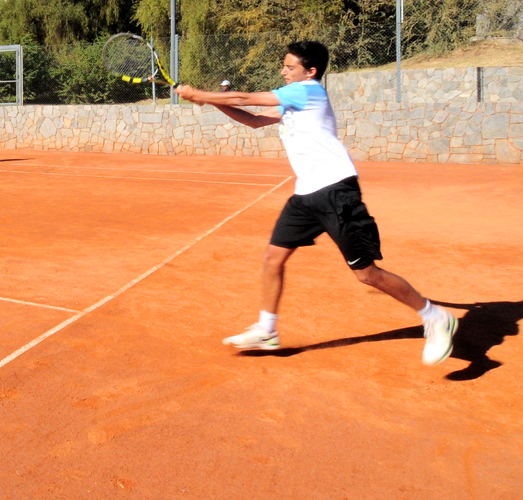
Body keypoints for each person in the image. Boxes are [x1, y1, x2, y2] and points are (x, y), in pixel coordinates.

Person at [174, 40, 458, 365]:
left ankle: (435, 317)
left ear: (310, 71)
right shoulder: (293, 99)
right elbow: (253, 119)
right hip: (306, 194)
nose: (283, 70)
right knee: (272, 259)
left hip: (336, 190)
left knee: (367, 275)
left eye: (289, 66)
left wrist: (200, 95)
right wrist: (211, 103)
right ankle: (267, 330)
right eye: (284, 65)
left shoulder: (307, 90)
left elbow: (243, 96)